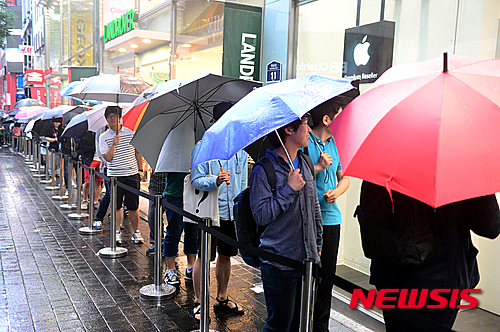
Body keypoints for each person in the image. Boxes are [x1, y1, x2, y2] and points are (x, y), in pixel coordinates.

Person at [360, 181, 500, 331]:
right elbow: (490, 228)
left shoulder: (383, 161)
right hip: (437, 279)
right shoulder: (463, 169)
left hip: (387, 271)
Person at [249, 114, 323, 332]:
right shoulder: (263, 170)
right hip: (278, 261)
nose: (309, 130)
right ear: (288, 130)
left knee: (300, 322)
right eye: (305, 125)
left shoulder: (306, 162)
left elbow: (314, 207)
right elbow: (261, 215)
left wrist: (317, 245)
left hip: (307, 260)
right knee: (279, 324)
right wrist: (289, 189)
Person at [191, 102, 247, 320]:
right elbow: (196, 179)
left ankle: (221, 298)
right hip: (208, 212)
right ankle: (198, 301)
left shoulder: (239, 151)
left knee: (226, 255)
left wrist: (242, 210)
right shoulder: (202, 148)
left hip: (231, 213)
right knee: (203, 256)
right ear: (215, 123)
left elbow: (242, 184)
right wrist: (215, 180)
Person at [307, 99, 350, 332]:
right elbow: (297, 179)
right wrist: (318, 167)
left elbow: (346, 178)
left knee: (326, 279)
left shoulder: (335, 143)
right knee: (306, 276)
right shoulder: (305, 143)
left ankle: (321, 326)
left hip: (332, 220)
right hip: (309, 221)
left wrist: (336, 192)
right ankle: (301, 320)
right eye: (339, 116)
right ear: (326, 119)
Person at [99, 106, 144, 244]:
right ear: (106, 119)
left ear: (120, 117)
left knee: (133, 206)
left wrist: (140, 170)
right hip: (114, 176)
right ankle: (117, 232)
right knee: (116, 206)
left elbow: (138, 152)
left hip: (131, 174)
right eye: (109, 116)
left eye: (115, 116)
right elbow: (107, 158)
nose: (112, 119)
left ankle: (136, 232)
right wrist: (113, 144)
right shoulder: (103, 137)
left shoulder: (131, 132)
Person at [162, 171, 198, 286]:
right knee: (174, 231)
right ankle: (170, 269)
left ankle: (191, 267)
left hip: (193, 193)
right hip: (174, 194)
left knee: (192, 231)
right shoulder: (171, 153)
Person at [145, 171, 167, 256]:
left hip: (173, 184)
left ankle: (172, 244)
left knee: (173, 217)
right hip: (156, 184)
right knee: (153, 215)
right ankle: (157, 242)